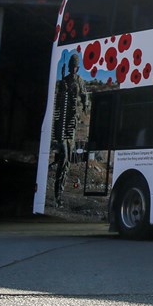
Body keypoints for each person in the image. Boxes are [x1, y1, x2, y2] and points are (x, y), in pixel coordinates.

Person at [51, 53, 88, 208]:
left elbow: (85, 97)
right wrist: (64, 90)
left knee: (65, 162)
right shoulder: (64, 81)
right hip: (62, 125)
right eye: (72, 66)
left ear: (77, 68)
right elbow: (58, 101)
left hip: (71, 126)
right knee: (64, 158)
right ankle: (57, 195)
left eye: (75, 66)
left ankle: (59, 194)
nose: (73, 68)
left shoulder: (80, 81)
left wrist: (85, 107)